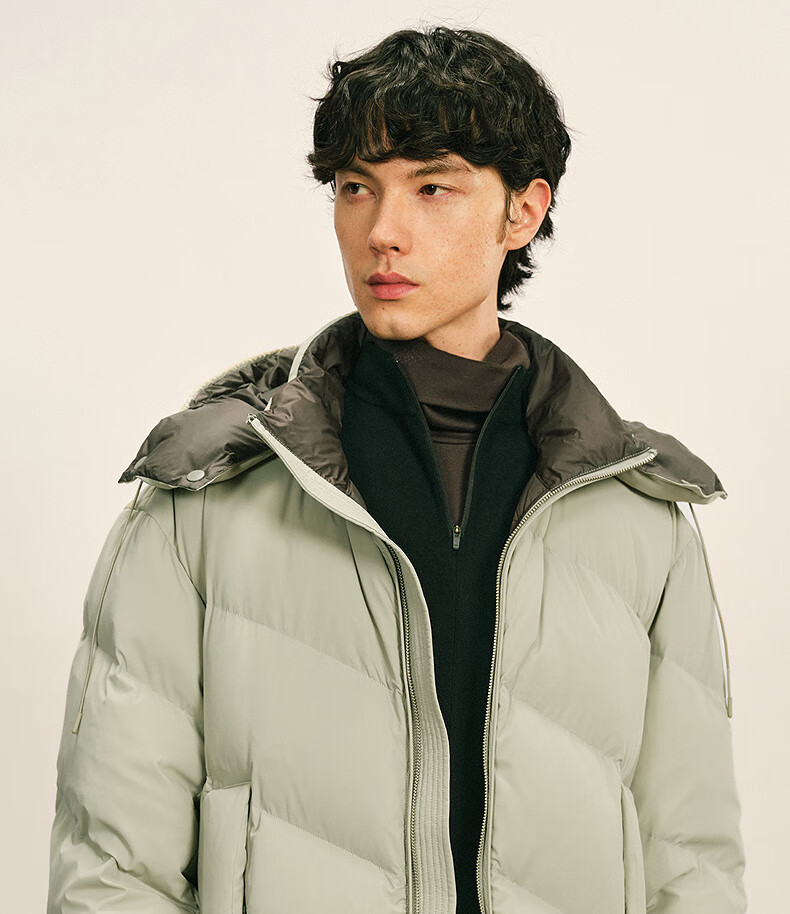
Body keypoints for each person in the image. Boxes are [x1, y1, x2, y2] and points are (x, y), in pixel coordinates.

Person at [48, 24, 747, 914]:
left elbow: (692, 865)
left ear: (523, 211)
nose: (382, 232)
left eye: (432, 188)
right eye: (356, 188)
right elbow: (111, 867)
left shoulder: (639, 516)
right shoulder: (205, 496)